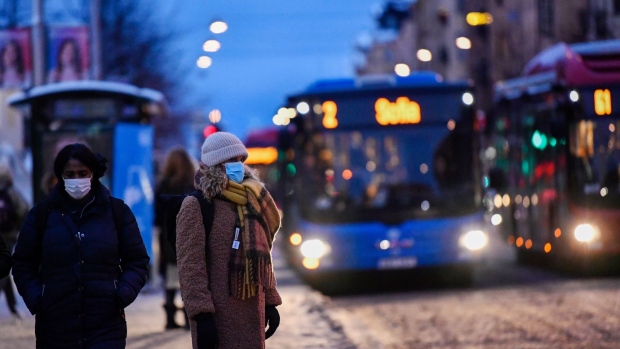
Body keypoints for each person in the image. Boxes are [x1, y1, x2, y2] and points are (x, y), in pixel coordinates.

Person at [11, 143, 150, 348]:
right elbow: (22, 263)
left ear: (92, 174)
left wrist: (122, 293)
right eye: (70, 174)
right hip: (56, 328)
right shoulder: (42, 214)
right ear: (60, 176)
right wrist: (38, 298)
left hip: (106, 326)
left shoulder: (117, 212)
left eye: (82, 173)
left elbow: (137, 260)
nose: (77, 180)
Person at [176, 132, 282, 349]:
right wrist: (201, 315)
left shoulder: (251, 199)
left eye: (241, 160)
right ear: (215, 164)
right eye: (231, 161)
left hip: (252, 311)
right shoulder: (196, 206)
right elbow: (191, 268)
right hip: (218, 318)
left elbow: (263, 258)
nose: (238, 166)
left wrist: (270, 300)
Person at [154, 147, 196, 330]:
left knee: (171, 279)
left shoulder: (163, 185)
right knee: (190, 278)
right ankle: (189, 318)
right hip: (190, 237)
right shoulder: (192, 185)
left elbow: (157, 215)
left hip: (168, 237)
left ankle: (170, 318)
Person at [0, 162, 29, 319]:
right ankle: (13, 308)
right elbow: (24, 210)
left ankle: (13, 308)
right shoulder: (12, 193)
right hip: (9, 236)